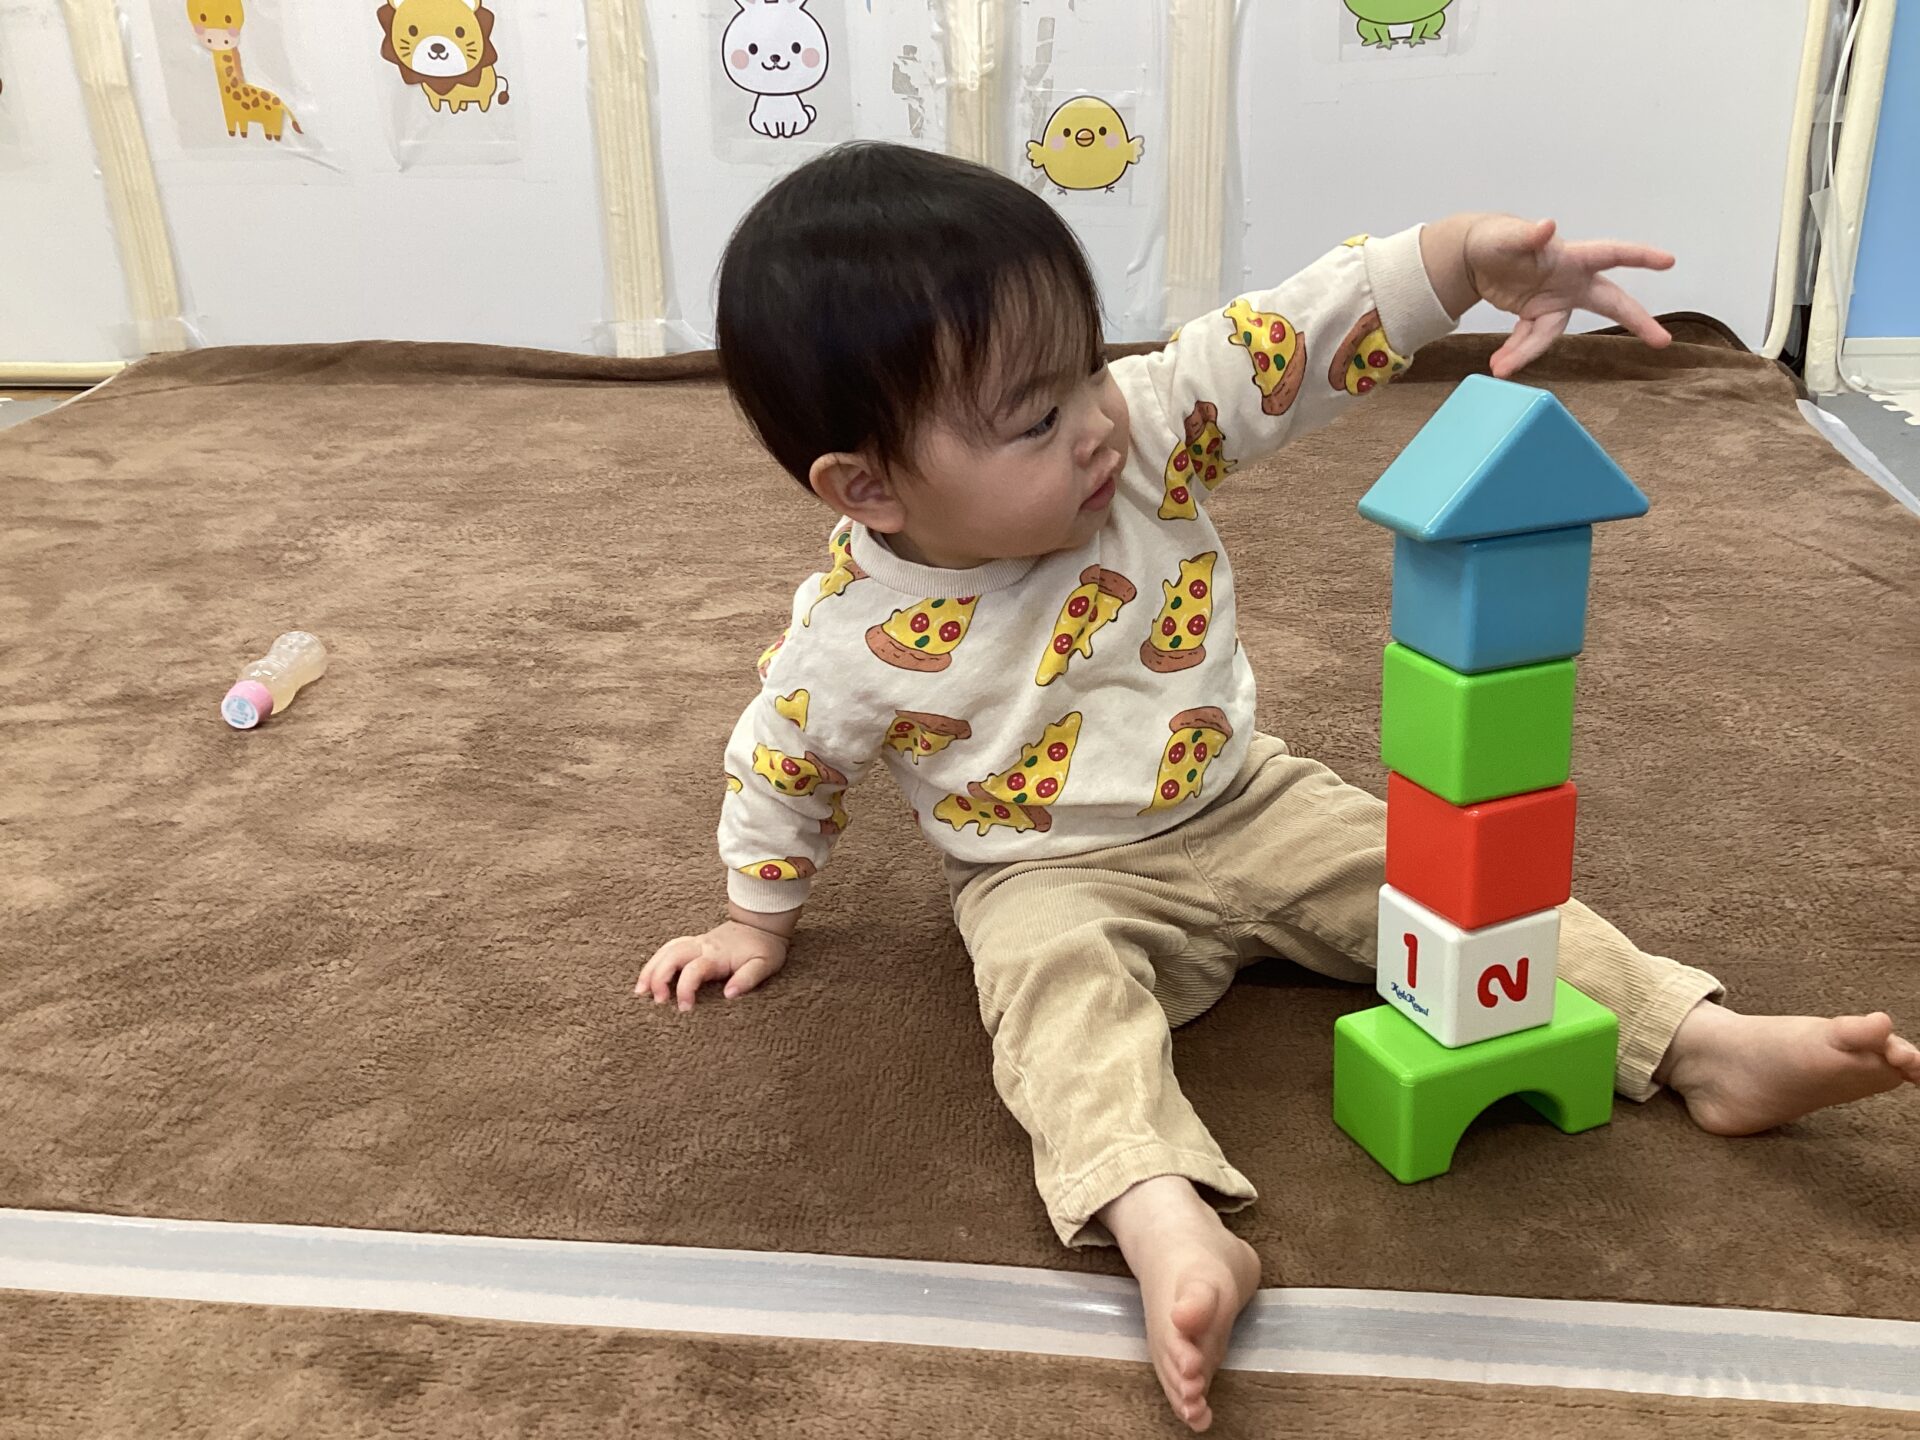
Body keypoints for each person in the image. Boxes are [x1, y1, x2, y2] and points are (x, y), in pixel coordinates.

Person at [638, 142, 1920, 1432]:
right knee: (1053, 1009)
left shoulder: (1143, 432)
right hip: (1038, 872)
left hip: (1250, 799)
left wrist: (1459, 260)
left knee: (1457, 874)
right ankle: (1167, 1220)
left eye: (1088, 364)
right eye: (1033, 418)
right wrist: (756, 916)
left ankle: (1697, 1044)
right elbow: (782, 767)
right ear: (868, 487)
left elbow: (1285, 337)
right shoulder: (847, 638)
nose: (1093, 422)